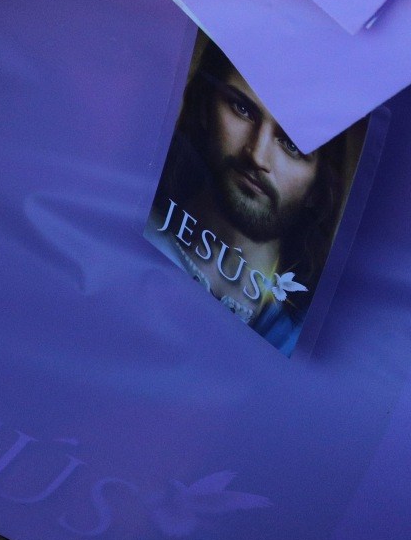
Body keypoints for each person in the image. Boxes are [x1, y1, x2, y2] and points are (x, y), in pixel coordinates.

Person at [147, 42, 356, 352]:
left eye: (292, 145)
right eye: (242, 109)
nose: (257, 155)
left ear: (319, 187)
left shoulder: (303, 337)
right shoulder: (132, 216)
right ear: (206, 106)